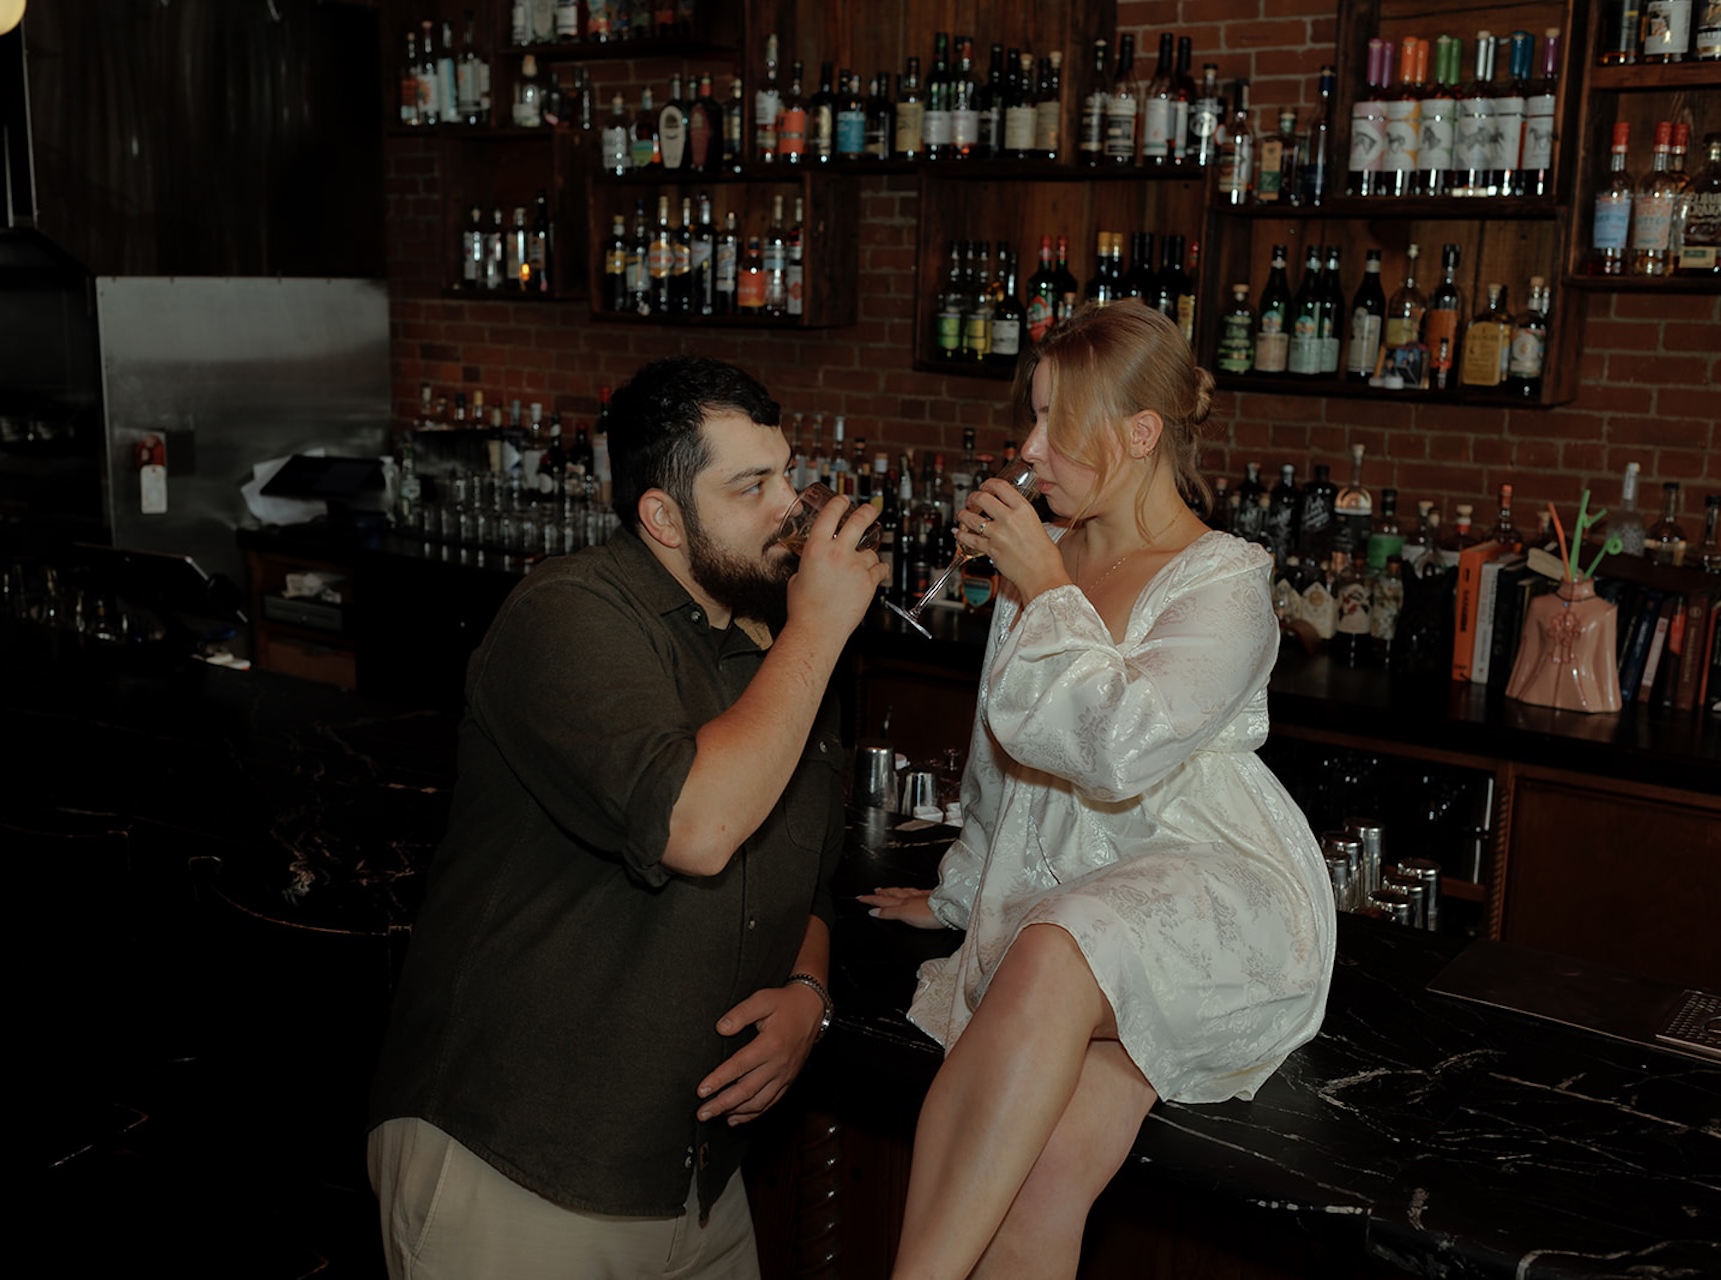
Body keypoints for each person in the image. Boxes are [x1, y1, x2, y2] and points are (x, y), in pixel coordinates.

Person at [367, 355, 887, 1279]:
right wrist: (819, 631)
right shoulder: (567, 614)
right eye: (752, 486)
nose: (792, 508)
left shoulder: (781, 647)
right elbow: (695, 826)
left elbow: (805, 879)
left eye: (788, 474)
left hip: (692, 1176)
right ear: (662, 517)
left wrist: (809, 996)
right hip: (525, 1159)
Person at [860, 299, 1337, 1280]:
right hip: (1067, 891)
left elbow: (1120, 748)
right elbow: (1003, 757)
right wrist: (956, 891)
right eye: (1030, 417)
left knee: (1059, 942)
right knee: (1037, 1179)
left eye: (1057, 424)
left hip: (1205, 888)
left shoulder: (1225, 581)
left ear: (1141, 432)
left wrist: (1046, 585)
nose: (1030, 448)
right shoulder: (1045, 558)